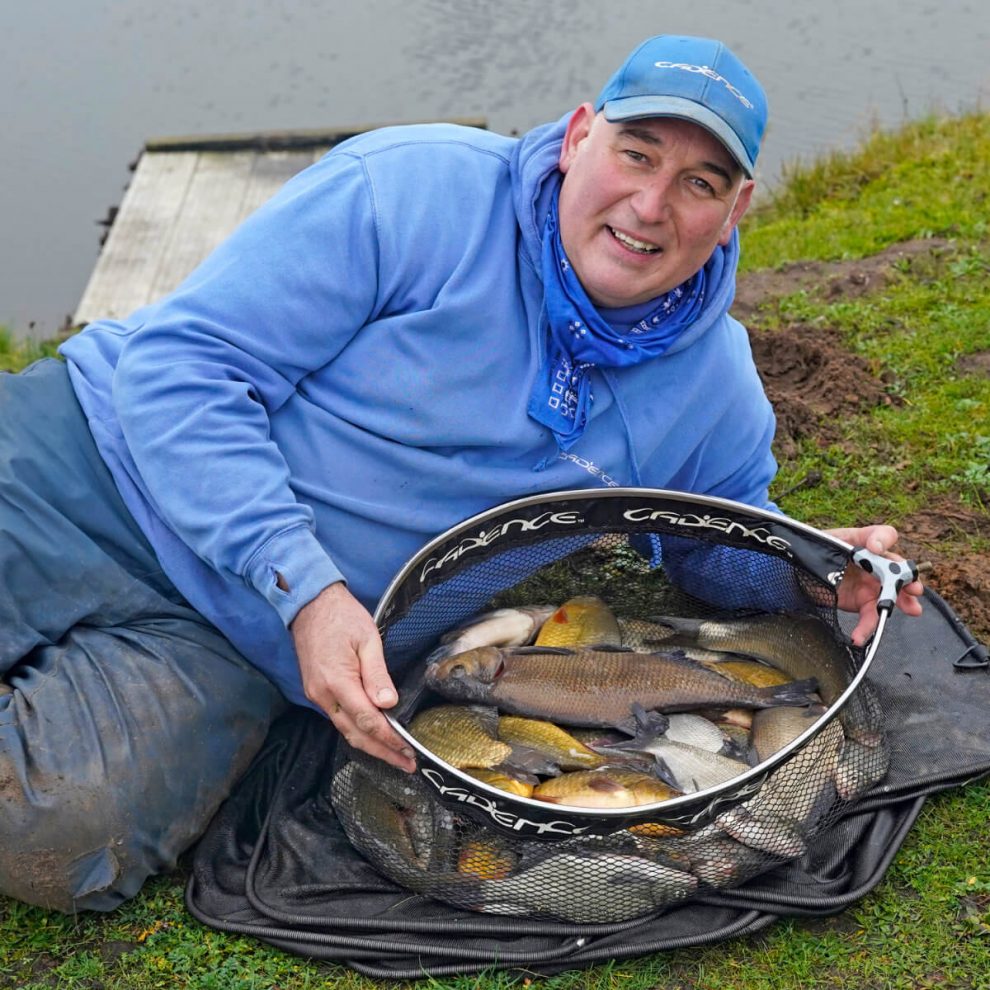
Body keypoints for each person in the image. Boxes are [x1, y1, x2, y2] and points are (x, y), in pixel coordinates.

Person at [0, 34, 923, 913]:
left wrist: (808, 566)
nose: (652, 205)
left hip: (227, 641)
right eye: (636, 154)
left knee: (66, 836)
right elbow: (185, 368)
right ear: (576, 137)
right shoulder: (410, 191)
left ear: (737, 208)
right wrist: (304, 585)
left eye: (699, 183)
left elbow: (711, 545)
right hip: (86, 463)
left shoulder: (712, 384)